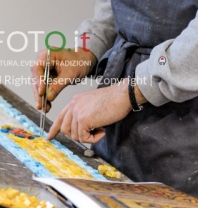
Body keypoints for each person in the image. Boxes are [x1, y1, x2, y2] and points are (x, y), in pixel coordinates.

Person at [32, 0, 198, 196]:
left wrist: (127, 92)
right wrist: (87, 49)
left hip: (185, 128)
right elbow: (115, 7)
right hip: (117, 120)